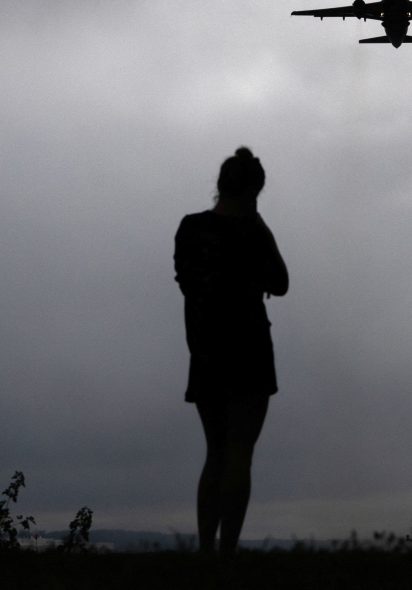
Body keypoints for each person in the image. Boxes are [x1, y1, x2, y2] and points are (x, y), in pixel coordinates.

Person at [174, 147, 289, 553]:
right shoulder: (252, 231)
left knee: (216, 454)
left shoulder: (190, 229)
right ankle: (227, 554)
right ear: (253, 189)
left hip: (205, 351)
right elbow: (280, 282)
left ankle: (206, 551)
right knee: (240, 455)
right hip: (250, 350)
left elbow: (188, 282)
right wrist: (257, 222)